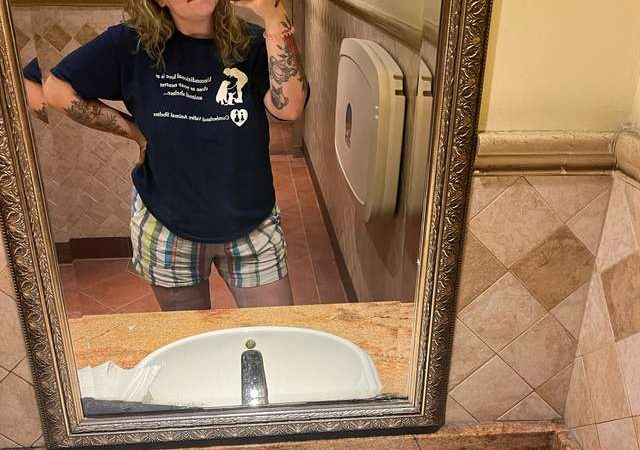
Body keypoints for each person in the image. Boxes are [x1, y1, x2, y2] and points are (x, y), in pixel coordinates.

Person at [41, 0, 309, 311]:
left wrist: (275, 17)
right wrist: (134, 132)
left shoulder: (251, 42)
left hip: (252, 223)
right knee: (189, 338)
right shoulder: (129, 44)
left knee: (273, 333)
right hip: (167, 228)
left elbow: (289, 109)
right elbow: (56, 90)